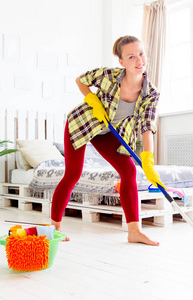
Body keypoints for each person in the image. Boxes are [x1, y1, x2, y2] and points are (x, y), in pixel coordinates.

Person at [51, 35, 164, 246]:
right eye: (131, 57)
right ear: (121, 62)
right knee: (73, 173)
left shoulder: (151, 93)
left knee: (129, 170)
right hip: (83, 124)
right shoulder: (108, 75)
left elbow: (147, 126)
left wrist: (148, 160)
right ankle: (54, 228)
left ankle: (134, 231)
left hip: (107, 133)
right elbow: (80, 80)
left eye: (141, 53)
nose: (139, 60)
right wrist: (91, 98)